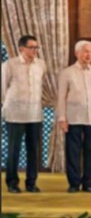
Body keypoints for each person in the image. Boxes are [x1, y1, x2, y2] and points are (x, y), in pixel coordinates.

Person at [58, 40, 91, 193]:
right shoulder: (67, 73)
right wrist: (62, 118)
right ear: (77, 53)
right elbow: (61, 97)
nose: (89, 55)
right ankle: (74, 183)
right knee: (73, 151)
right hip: (73, 118)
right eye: (86, 51)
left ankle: (88, 183)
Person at [1, 35, 46, 193]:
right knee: (14, 149)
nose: (34, 50)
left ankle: (31, 183)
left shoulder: (40, 64)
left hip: (34, 114)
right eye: (31, 47)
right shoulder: (10, 64)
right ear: (21, 48)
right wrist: (8, 105)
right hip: (15, 113)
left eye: (36, 47)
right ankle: (12, 183)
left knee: (33, 149)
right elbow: (2, 88)